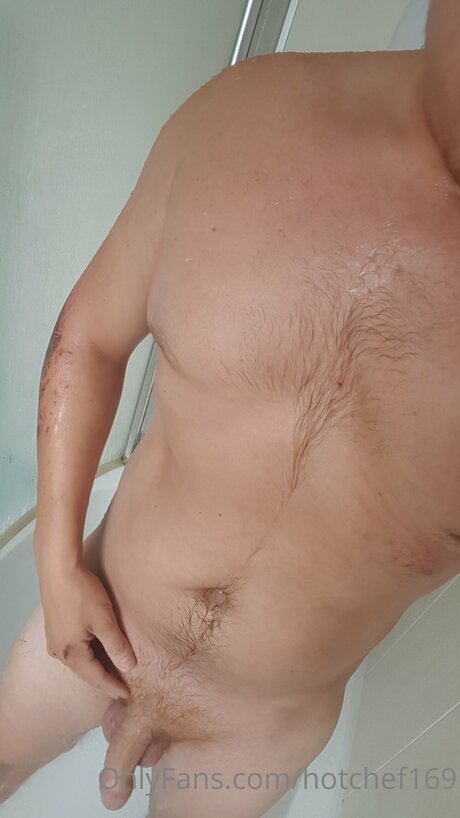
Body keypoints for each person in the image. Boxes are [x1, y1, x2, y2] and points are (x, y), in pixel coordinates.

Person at [1, 1, 460, 815]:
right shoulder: (248, 120)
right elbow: (91, 338)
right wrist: (57, 565)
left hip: (258, 728)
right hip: (95, 617)